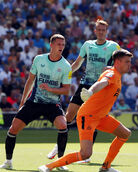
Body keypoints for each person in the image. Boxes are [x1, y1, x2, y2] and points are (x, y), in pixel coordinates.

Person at [38, 49, 133, 172]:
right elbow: (102, 83)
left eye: (130, 61)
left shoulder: (115, 73)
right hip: (88, 116)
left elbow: (106, 73)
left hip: (101, 117)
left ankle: (106, 167)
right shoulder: (112, 74)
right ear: (118, 62)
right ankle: (47, 167)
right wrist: (90, 92)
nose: (130, 64)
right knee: (85, 154)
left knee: (125, 134)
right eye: (127, 61)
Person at [47, 19, 120, 163]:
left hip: (100, 87)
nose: (100, 32)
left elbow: (120, 63)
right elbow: (78, 63)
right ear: (95, 31)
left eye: (103, 30)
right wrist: (64, 75)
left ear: (106, 31)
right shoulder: (88, 45)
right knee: (68, 116)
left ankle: (86, 155)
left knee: (93, 120)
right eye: (98, 30)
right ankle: (58, 147)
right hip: (85, 85)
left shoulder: (113, 46)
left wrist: (112, 69)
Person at [0, 34, 72, 170]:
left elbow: (66, 90)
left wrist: (50, 89)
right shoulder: (39, 59)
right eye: (58, 44)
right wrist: (22, 102)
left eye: (63, 45)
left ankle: (60, 163)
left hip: (52, 104)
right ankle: (8, 162)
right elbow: (30, 81)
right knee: (12, 129)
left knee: (63, 126)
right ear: (51, 45)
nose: (61, 47)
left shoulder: (66, 66)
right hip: (34, 102)